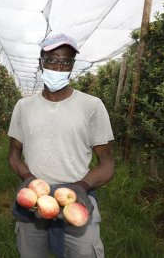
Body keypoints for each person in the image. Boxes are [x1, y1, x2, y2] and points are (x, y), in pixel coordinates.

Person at [7, 33, 115, 258]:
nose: (58, 67)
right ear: (41, 62)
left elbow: (107, 163)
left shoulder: (91, 106)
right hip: (35, 199)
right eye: (52, 60)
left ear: (72, 66)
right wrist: (27, 177)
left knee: (83, 252)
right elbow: (14, 154)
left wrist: (83, 186)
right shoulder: (23, 107)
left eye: (66, 62)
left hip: (75, 197)